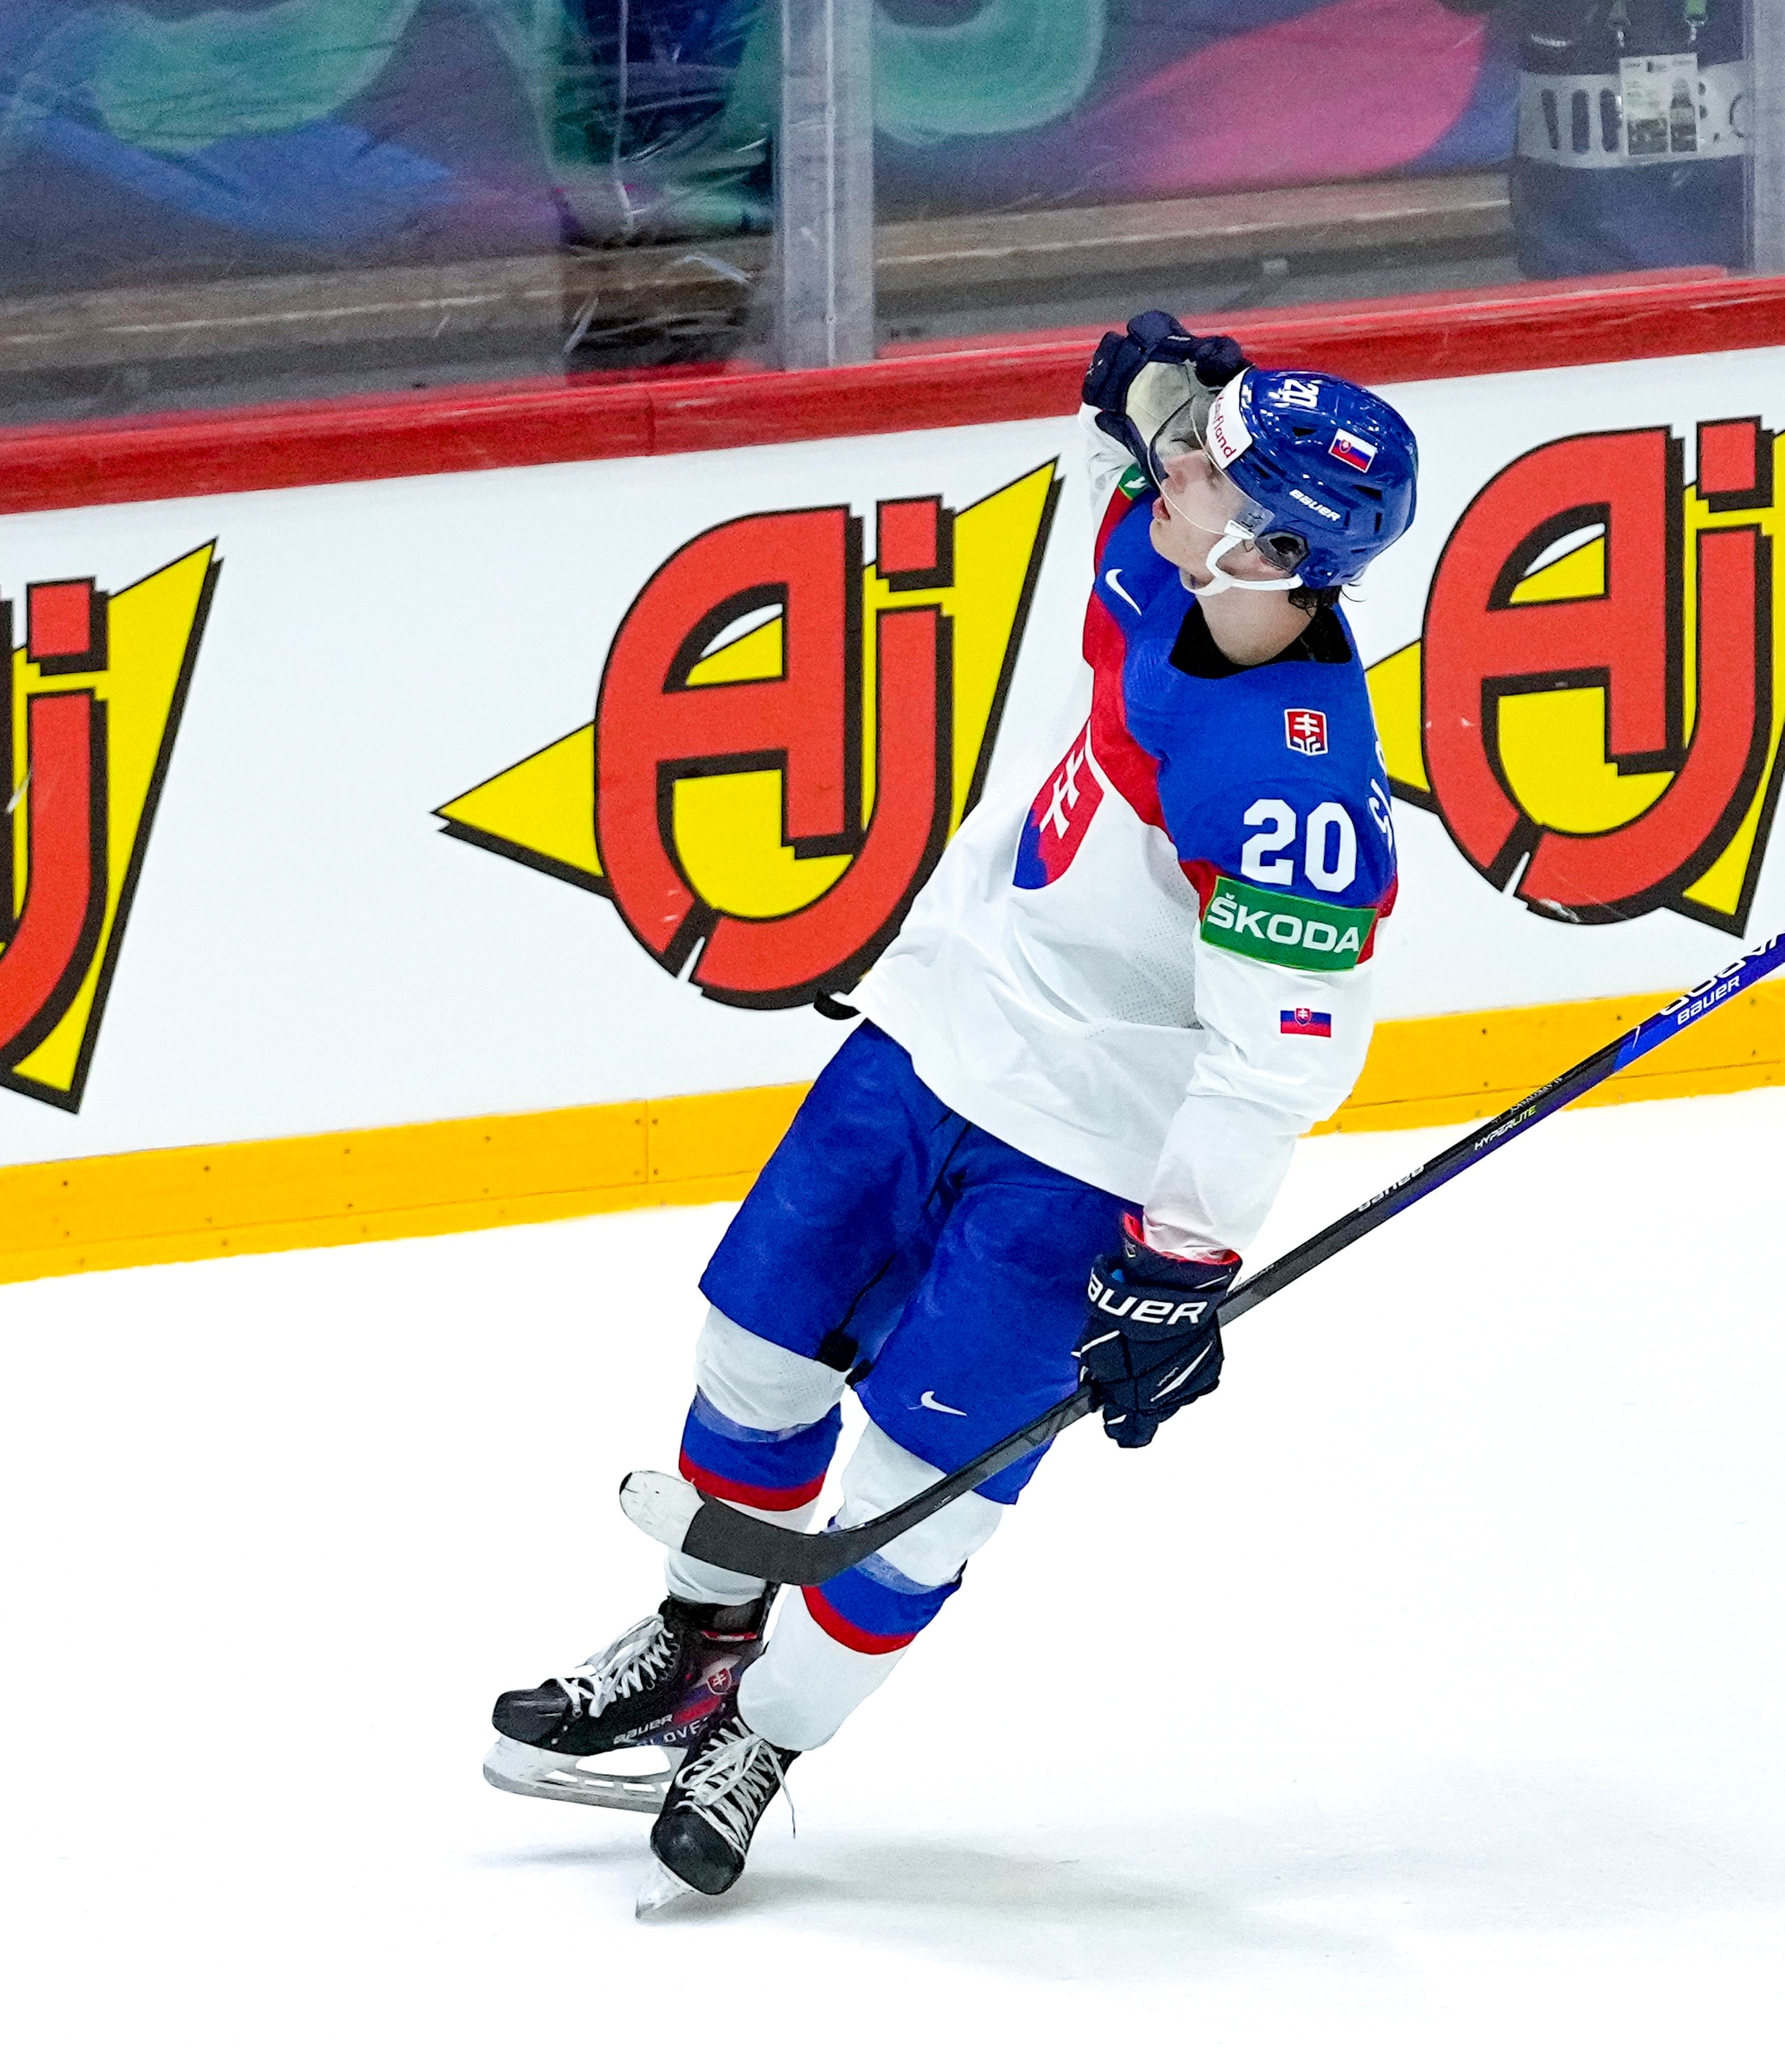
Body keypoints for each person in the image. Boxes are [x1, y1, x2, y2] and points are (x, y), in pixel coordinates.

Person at [484, 316, 1421, 1898]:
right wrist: (1161, 382)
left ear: (1270, 554)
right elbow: (1137, 428)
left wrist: (1183, 1266)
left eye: (1211, 464)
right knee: (755, 1352)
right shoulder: (1164, 549)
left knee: (918, 1507)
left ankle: (764, 1734)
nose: (1174, 462)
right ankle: (703, 1633)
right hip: (935, 1034)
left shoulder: (1297, 787)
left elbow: (1284, 1058)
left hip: (1084, 1150)